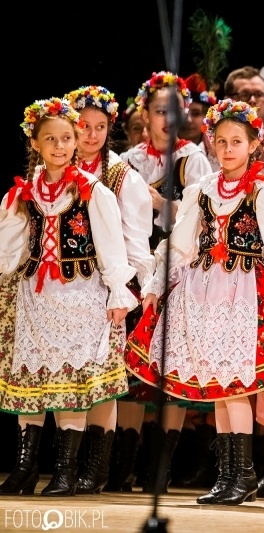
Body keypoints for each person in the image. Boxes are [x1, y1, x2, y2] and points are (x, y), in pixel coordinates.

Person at [125, 99, 264, 506]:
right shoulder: (202, 190)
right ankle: (230, 474)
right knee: (216, 389)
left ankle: (242, 473)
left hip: (245, 294)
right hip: (204, 294)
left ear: (254, 144)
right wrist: (158, 283)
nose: (228, 149)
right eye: (222, 141)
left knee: (234, 389)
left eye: (237, 141)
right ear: (211, 143)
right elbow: (181, 245)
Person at [0, 97, 137, 496]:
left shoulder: (93, 191)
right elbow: (8, 249)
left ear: (76, 141)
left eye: (66, 138)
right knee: (32, 377)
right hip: (35, 297)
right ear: (35, 144)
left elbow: (112, 246)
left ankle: (65, 470)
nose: (60, 146)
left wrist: (117, 292)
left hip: (80, 296)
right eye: (50, 139)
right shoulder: (22, 194)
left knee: (71, 381)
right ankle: (25, 467)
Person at [119, 71, 213, 494]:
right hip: (135, 266)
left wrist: (159, 202)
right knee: (134, 364)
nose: (168, 120)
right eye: (160, 111)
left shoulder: (191, 158)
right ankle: (123, 460)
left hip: (175, 265)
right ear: (146, 114)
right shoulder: (127, 162)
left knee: (169, 365)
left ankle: (161, 465)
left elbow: (201, 218)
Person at [62, 85, 154, 495]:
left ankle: (98, 468)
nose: (91, 135)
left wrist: (137, 288)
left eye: (100, 127)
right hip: (66, 290)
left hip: (108, 290)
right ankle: (70, 465)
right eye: (83, 126)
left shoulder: (121, 177)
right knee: (71, 375)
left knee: (103, 378)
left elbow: (138, 243)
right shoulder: (54, 171)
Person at [180, 73, 219, 170]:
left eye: (196, 114)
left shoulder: (217, 155)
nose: (188, 120)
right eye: (183, 113)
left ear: (207, 119)